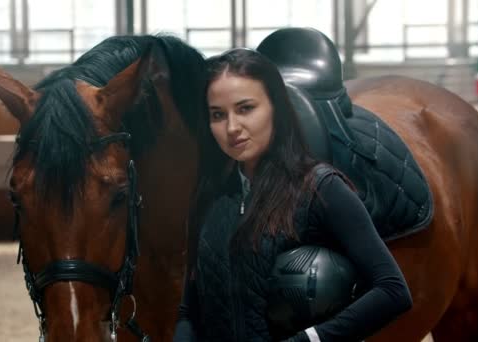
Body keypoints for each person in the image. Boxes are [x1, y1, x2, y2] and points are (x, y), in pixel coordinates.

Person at [172, 48, 413, 342]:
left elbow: (392, 290)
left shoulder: (321, 188)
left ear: (276, 108)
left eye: (246, 108)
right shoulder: (208, 197)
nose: (232, 127)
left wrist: (310, 339)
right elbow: (190, 310)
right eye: (218, 115)